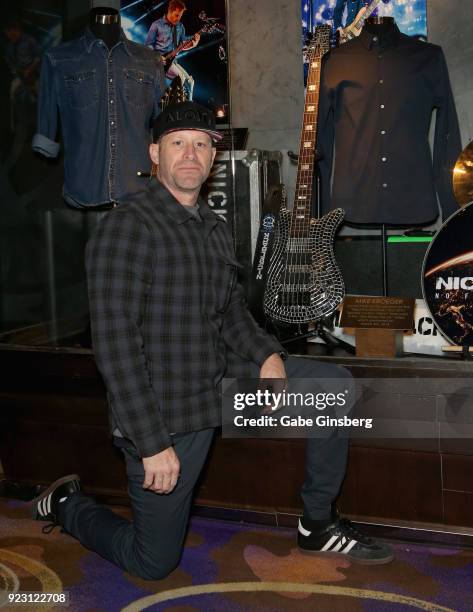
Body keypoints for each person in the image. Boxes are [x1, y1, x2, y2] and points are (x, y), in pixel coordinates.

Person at [32, 101, 393, 580]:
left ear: (213, 157)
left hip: (218, 385)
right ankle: (67, 503)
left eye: (201, 144)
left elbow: (231, 316)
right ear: (155, 153)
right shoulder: (127, 227)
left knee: (334, 387)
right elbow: (116, 346)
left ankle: (317, 524)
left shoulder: (214, 229)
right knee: (153, 562)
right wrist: (150, 441)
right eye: (178, 142)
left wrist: (268, 355)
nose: (190, 154)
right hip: (167, 413)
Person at [145, 0, 199, 100]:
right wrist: (158, 57)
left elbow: (182, 45)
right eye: (176, 15)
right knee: (180, 78)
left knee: (190, 82)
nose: (178, 18)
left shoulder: (180, 27)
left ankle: (188, 106)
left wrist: (193, 44)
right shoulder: (156, 25)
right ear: (170, 11)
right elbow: (148, 45)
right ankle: (176, 105)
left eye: (180, 16)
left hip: (173, 61)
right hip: (160, 63)